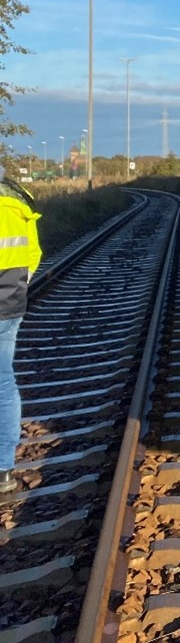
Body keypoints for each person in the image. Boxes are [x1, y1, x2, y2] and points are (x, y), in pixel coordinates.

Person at [0, 165, 41, 495]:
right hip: (10, 305)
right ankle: (3, 469)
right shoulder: (18, 204)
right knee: (3, 381)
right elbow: (33, 256)